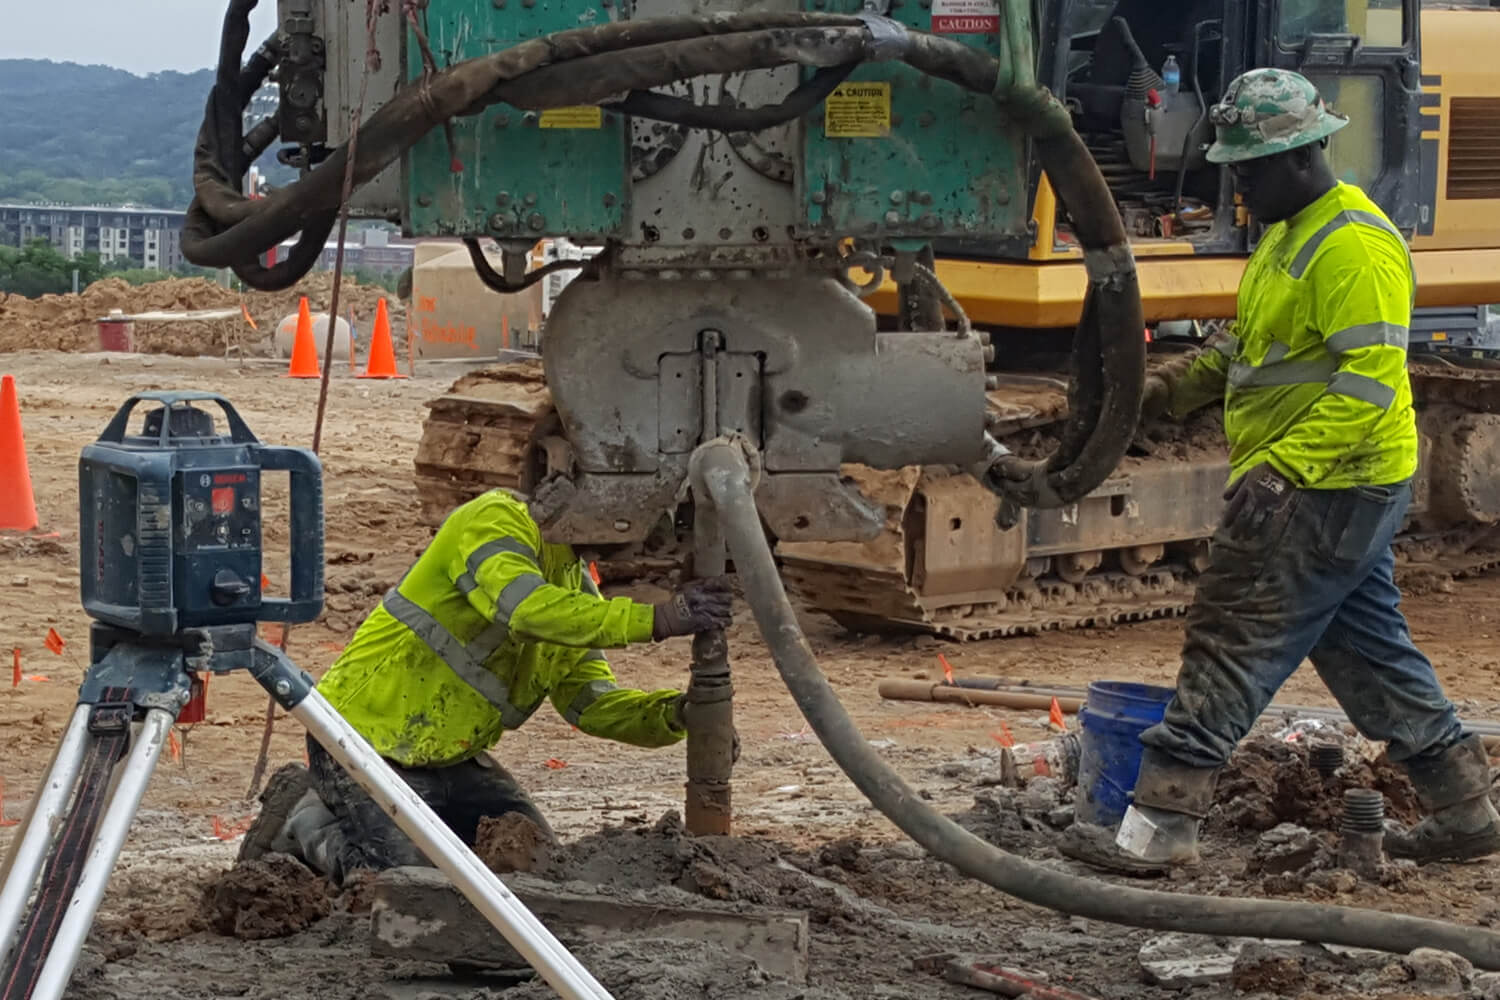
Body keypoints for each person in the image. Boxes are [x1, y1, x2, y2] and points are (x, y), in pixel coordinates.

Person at [1066, 68, 1500, 874]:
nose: (1238, 184)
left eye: (1250, 168)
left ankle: (1159, 829)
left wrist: (1284, 474)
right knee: (1367, 650)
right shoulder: (1290, 237)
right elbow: (1254, 352)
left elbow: (1367, 385)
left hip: (1328, 482)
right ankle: (1464, 807)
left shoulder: (1352, 247)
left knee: (1232, 636)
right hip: (1335, 484)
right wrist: (1167, 391)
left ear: (1303, 157)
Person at [240, 486, 733, 883]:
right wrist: (660, 619)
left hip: (451, 757)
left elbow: (590, 702)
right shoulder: (494, 521)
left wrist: (679, 715)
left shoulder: (574, 589)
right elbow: (522, 607)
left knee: (538, 865)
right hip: (360, 738)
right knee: (403, 885)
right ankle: (301, 820)